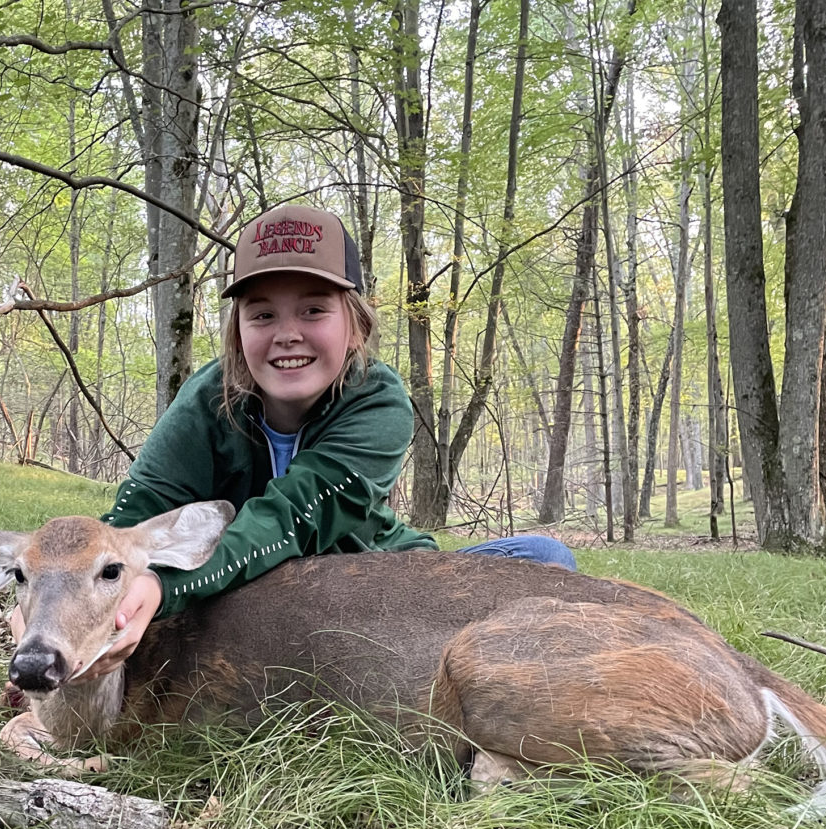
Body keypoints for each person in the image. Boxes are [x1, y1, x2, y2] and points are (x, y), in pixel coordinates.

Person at [30, 203, 576, 680]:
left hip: (375, 578)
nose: (287, 333)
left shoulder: (378, 400)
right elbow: (132, 520)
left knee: (544, 558)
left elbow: (290, 516)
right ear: (238, 331)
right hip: (251, 601)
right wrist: (59, 609)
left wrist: (163, 588)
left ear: (354, 326)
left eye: (314, 310)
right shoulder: (205, 399)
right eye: (262, 314)